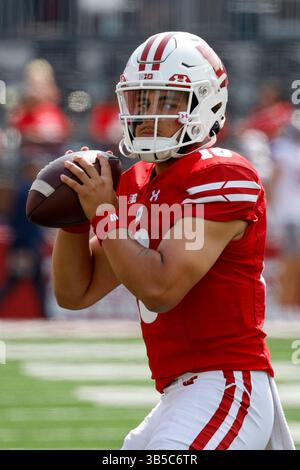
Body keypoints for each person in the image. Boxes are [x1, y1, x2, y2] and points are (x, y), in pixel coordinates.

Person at [52, 32, 294, 450]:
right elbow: (76, 292)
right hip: (179, 393)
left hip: (226, 383)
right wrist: (74, 217)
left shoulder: (223, 175)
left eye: (167, 101)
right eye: (141, 100)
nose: (148, 115)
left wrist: (104, 214)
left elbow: (161, 289)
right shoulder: (136, 182)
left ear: (206, 102)